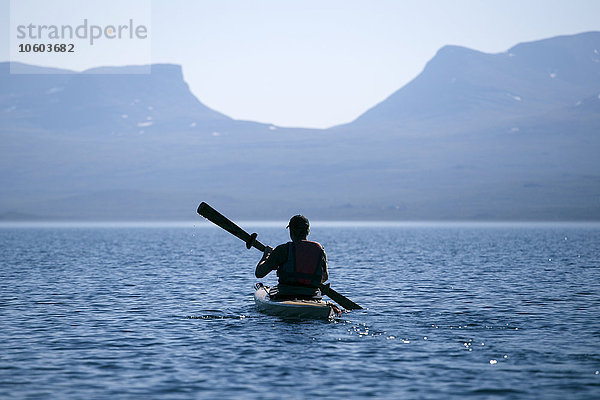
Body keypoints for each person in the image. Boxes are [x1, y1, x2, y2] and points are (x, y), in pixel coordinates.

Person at [255, 214, 328, 299]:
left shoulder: (283, 250)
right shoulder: (319, 250)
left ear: (291, 231)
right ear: (308, 231)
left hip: (286, 294)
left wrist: (266, 256)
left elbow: (259, 273)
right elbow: (324, 277)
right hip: (312, 295)